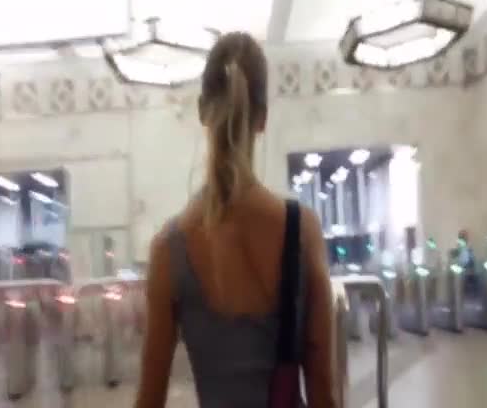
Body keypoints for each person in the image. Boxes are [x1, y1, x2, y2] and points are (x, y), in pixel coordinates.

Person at [135, 32, 337, 408]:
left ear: (202, 110)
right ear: (263, 119)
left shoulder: (168, 249)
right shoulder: (302, 231)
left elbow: (149, 401)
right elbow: (323, 390)